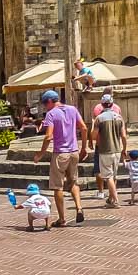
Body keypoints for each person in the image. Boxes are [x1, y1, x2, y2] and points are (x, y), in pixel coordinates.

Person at [34, 89, 88, 227]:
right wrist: (84, 147)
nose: (46, 106)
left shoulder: (51, 114)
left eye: (46, 103)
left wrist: (40, 153)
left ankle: (62, 218)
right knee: (73, 182)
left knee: (58, 187)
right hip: (74, 151)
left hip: (60, 153)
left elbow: (48, 136)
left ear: (51, 101)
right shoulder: (72, 109)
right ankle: (79, 208)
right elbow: (84, 128)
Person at [90, 94, 128, 209]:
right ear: (112, 104)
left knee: (108, 176)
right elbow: (124, 136)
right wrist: (124, 149)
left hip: (104, 150)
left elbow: (93, 136)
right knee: (114, 175)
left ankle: (115, 200)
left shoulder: (99, 118)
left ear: (102, 105)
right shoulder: (119, 117)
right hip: (116, 149)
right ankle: (111, 199)